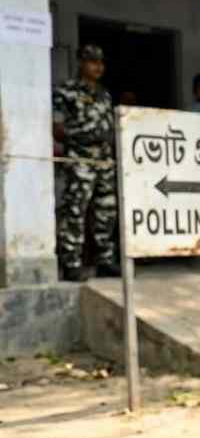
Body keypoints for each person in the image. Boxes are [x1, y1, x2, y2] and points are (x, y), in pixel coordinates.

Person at [54, 44, 117, 282]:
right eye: (92, 61)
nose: (98, 66)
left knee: (106, 211)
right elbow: (57, 129)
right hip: (80, 159)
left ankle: (105, 261)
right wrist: (83, 135)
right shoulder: (66, 91)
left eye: (100, 62)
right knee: (75, 211)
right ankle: (71, 263)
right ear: (81, 62)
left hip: (104, 160)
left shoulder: (104, 94)